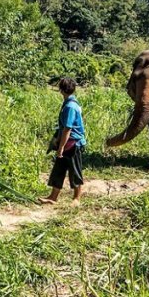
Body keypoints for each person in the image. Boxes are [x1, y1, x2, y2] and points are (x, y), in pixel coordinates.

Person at [40, 77, 86, 205]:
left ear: (61, 90)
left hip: (73, 144)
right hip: (66, 143)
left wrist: (61, 147)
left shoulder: (70, 106)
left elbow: (67, 129)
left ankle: (77, 198)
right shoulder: (68, 103)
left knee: (75, 171)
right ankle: (53, 197)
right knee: (58, 170)